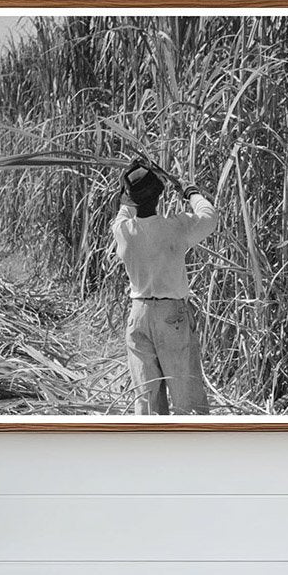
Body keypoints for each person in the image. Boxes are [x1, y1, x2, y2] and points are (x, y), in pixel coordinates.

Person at [111, 159, 218, 415]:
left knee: (147, 401)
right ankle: (191, 451)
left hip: (137, 317)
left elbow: (123, 207)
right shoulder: (175, 228)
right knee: (187, 399)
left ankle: (152, 451)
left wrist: (127, 185)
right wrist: (189, 191)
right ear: (160, 194)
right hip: (172, 317)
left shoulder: (123, 231)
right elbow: (209, 217)